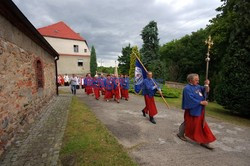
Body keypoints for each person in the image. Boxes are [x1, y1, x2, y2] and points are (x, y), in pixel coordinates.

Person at [177, 73, 216, 150]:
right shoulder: (187, 88)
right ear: (190, 80)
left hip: (200, 109)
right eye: (196, 80)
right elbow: (190, 99)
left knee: (202, 125)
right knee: (188, 123)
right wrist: (201, 102)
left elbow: (206, 91)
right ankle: (181, 134)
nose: (198, 81)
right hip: (192, 109)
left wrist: (207, 85)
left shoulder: (198, 86)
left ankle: (205, 141)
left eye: (198, 80)